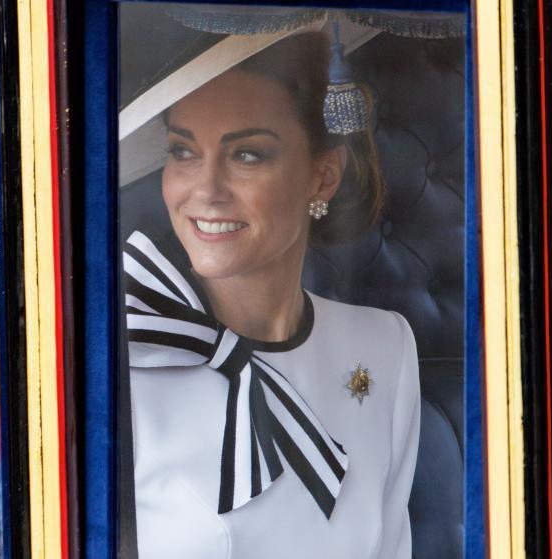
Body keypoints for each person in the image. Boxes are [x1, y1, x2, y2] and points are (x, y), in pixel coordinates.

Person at [123, 31, 421, 558]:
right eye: (183, 151)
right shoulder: (124, 355)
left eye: (247, 154)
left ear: (322, 175)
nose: (206, 189)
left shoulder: (384, 347)